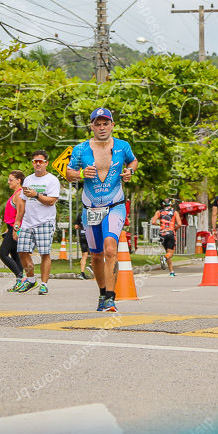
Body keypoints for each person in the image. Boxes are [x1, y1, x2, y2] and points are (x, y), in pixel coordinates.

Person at [66, 108, 138, 312]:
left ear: (112, 125)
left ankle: (110, 297)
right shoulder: (80, 149)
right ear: (91, 126)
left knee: (110, 249)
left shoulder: (123, 146)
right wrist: (80, 173)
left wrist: (130, 171)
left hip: (115, 205)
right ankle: (102, 292)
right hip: (90, 208)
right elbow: (69, 173)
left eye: (105, 123)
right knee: (96, 255)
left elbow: (133, 161)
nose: (102, 127)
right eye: (97, 123)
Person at [14, 150, 62, 295]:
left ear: (46, 163)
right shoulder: (28, 179)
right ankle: (30, 280)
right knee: (22, 251)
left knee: (44, 253)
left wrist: (36, 194)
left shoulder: (52, 180)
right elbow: (22, 201)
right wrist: (18, 221)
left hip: (45, 222)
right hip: (28, 222)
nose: (38, 164)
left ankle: (43, 284)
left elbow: (52, 201)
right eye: (35, 161)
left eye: (40, 161)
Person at [1, 170, 27, 290]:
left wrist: (15, 229)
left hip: (15, 228)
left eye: (11, 179)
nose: (8, 182)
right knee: (15, 255)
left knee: (3, 254)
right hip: (11, 228)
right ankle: (19, 281)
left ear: (18, 181)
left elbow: (20, 212)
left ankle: (22, 278)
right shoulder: (16, 193)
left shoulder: (19, 194)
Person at [151, 199, 181, 277]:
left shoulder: (159, 212)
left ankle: (171, 272)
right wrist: (175, 229)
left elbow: (153, 222)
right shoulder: (174, 212)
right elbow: (179, 224)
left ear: (163, 205)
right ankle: (164, 258)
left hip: (162, 233)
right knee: (170, 253)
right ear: (171, 204)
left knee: (168, 252)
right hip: (171, 233)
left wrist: (160, 225)